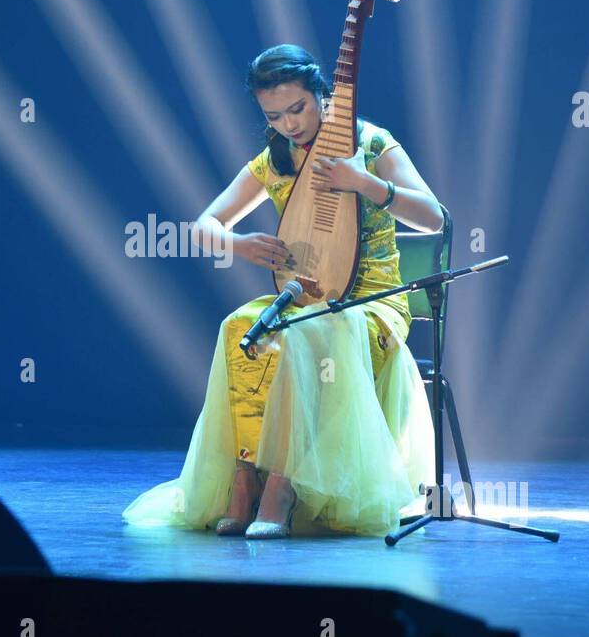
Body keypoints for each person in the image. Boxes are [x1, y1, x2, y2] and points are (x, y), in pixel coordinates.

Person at [122, 44, 444, 538]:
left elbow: (433, 217)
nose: (290, 124)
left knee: (305, 334)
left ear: (322, 95)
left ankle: (282, 486)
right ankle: (243, 477)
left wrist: (365, 183)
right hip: (305, 292)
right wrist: (238, 244)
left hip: (371, 303)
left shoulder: (371, 143)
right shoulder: (275, 159)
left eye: (298, 109)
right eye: (274, 116)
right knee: (238, 328)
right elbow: (205, 224)